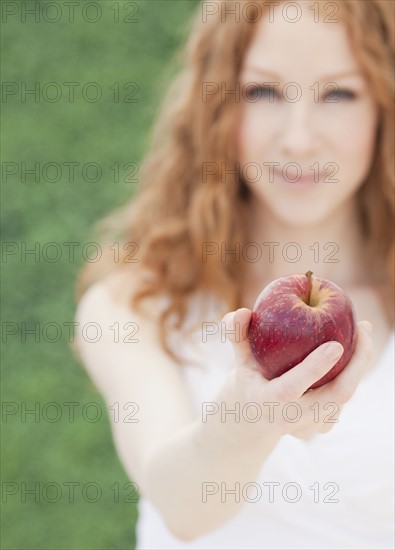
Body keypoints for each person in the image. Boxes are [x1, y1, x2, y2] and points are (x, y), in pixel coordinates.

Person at [74, 1, 394, 548]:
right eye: (264, 92)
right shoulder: (134, 303)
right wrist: (241, 423)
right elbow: (180, 507)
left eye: (338, 93)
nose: (298, 139)